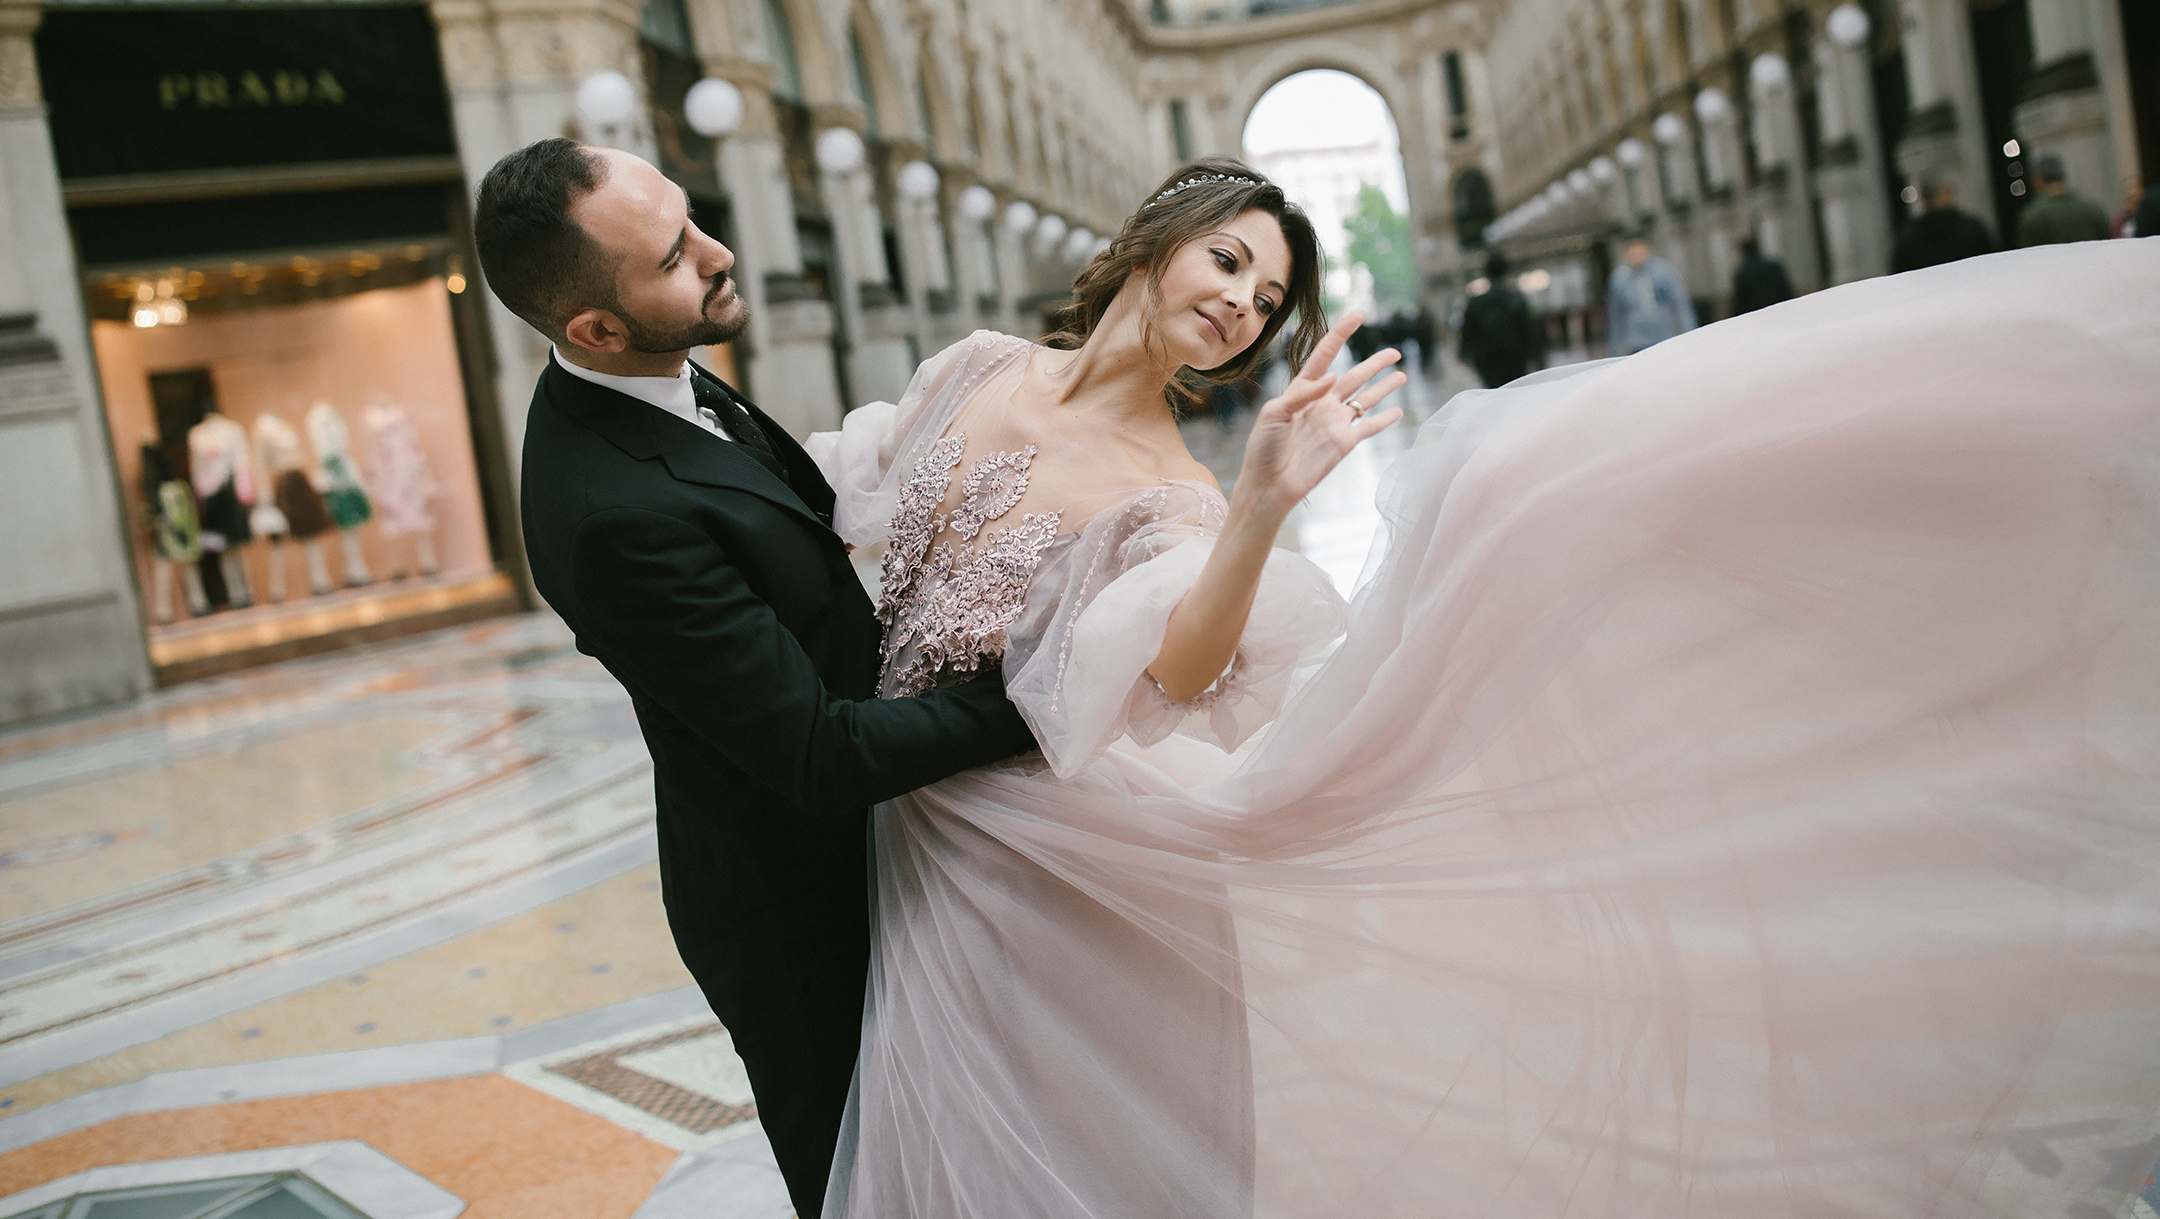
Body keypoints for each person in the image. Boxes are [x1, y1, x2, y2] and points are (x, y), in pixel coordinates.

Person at [808, 157, 2160, 1217]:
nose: (1239, 304)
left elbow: (1181, 671)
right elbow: (840, 520)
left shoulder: (1172, 487)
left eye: (1267, 300)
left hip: (1035, 875)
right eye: (1228, 260)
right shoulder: (974, 365)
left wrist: (1261, 506)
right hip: (900, 819)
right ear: (1158, 240)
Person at [471, 139, 1038, 1219]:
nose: (718, 252)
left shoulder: (655, 369)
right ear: (595, 329)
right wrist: (1039, 694)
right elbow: (818, 753)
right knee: (874, 1182)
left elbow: (788, 535)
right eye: (674, 256)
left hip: (875, 843)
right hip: (798, 912)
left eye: (691, 218)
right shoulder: (611, 516)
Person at [1458, 252, 1544, 387]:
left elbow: (1467, 332)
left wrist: (1464, 353)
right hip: (1515, 358)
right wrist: (1538, 358)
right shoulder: (1516, 299)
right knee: (1516, 390)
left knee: (1495, 391)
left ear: (1487, 273)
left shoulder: (1476, 303)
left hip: (1487, 360)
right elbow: (1529, 330)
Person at [1602, 232, 1696, 354]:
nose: (1637, 254)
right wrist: (1615, 349)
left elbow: (1681, 304)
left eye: (1639, 248)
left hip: (1665, 336)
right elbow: (1616, 316)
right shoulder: (1619, 278)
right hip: (1637, 340)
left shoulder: (1664, 271)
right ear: (1626, 253)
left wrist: (1691, 335)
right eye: (1632, 250)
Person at [1891, 173, 1996, 271]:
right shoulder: (1972, 229)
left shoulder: (1908, 239)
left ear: (1924, 199)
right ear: (1947, 193)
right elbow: (1992, 265)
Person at [2016, 153, 2111, 246]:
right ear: (2064, 176)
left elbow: (2029, 252)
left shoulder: (2033, 216)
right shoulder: (2093, 209)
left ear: (2038, 179)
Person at [1729, 234, 1795, 314]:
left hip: (1757, 313)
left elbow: (1741, 302)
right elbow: (1785, 291)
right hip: (1778, 309)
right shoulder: (1774, 266)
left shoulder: (1743, 273)